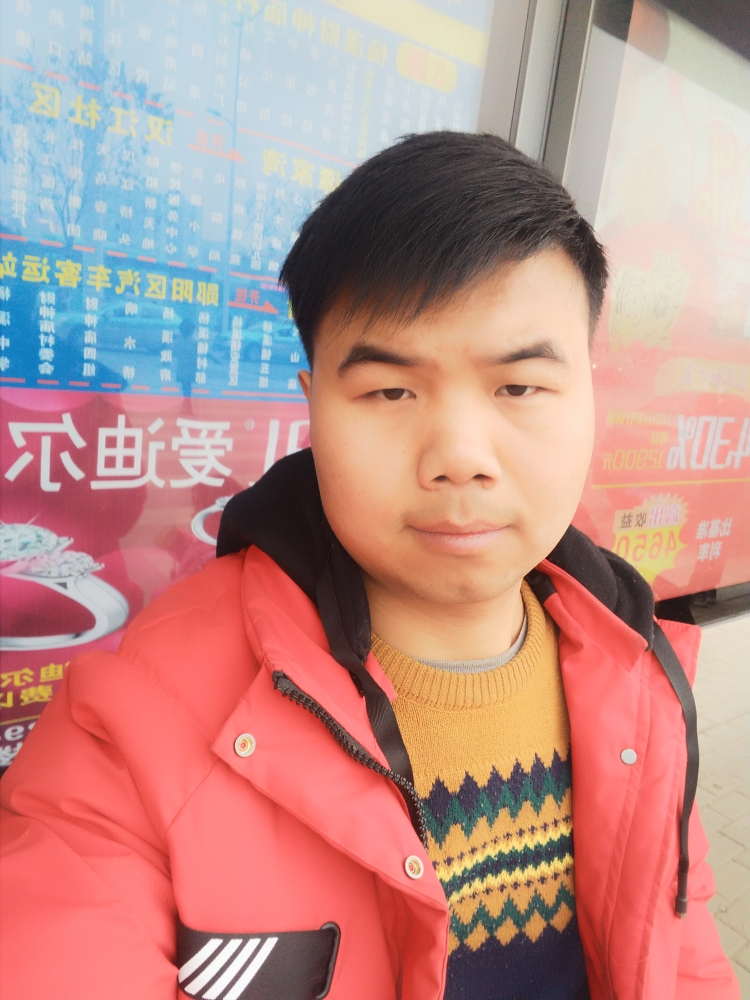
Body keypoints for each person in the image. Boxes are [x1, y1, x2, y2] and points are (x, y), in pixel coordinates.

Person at [0, 132, 739, 1000]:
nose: (460, 457)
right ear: (313, 407)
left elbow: (682, 954)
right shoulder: (133, 730)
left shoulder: (639, 670)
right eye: (391, 390)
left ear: (589, 395)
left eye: (519, 387)